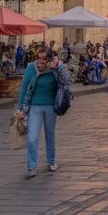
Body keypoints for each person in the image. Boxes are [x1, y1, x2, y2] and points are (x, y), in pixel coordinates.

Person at [16, 46, 71, 178]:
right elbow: (23, 88)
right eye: (39, 58)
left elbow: (67, 82)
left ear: (50, 59)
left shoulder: (55, 68)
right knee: (32, 137)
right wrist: (20, 109)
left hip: (51, 105)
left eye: (44, 59)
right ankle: (32, 166)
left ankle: (51, 161)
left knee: (50, 135)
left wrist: (59, 66)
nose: (41, 61)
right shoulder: (31, 68)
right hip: (34, 106)